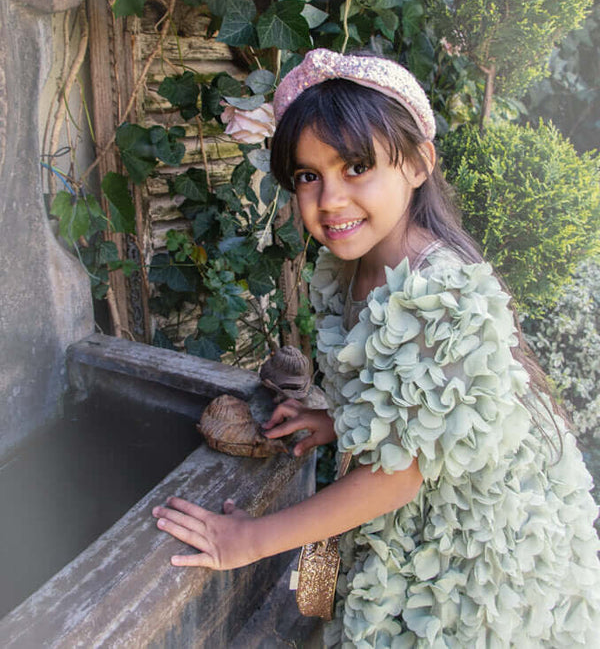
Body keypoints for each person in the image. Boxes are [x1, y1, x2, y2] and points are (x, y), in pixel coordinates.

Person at [153, 49, 600, 647]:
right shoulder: (355, 267)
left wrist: (250, 540)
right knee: (324, 609)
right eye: (309, 176)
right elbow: (403, 405)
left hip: (458, 556)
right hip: (393, 502)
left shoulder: (437, 294)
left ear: (417, 164)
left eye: (356, 166)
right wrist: (337, 419)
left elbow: (396, 478)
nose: (329, 199)